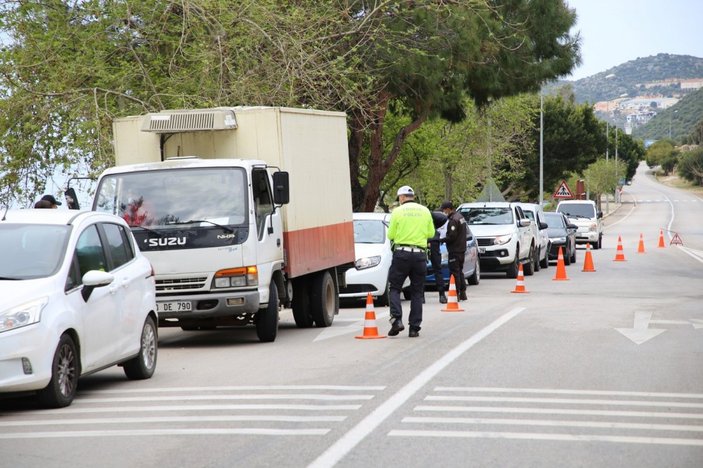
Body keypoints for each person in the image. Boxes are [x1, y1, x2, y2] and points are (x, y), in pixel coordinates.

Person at [387, 185, 435, 338]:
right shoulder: (425, 211)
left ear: (401, 198)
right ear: (412, 196)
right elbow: (431, 233)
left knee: (394, 288)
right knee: (416, 292)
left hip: (402, 254)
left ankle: (396, 320)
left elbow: (391, 234)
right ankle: (414, 327)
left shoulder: (397, 211)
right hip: (420, 255)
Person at [440, 200, 468, 301]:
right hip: (461, 249)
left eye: (444, 210)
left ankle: (456, 294)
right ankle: (463, 293)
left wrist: (441, 240)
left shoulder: (453, 220)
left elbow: (451, 236)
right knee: (460, 271)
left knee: (454, 272)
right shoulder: (460, 217)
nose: (444, 212)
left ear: (448, 209)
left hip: (455, 250)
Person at [428, 210, 448, 304]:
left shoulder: (423, 213)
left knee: (420, 270)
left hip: (423, 241)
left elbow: (443, 218)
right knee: (437, 268)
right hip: (433, 241)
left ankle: (421, 297)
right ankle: (442, 295)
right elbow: (443, 218)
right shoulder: (426, 212)